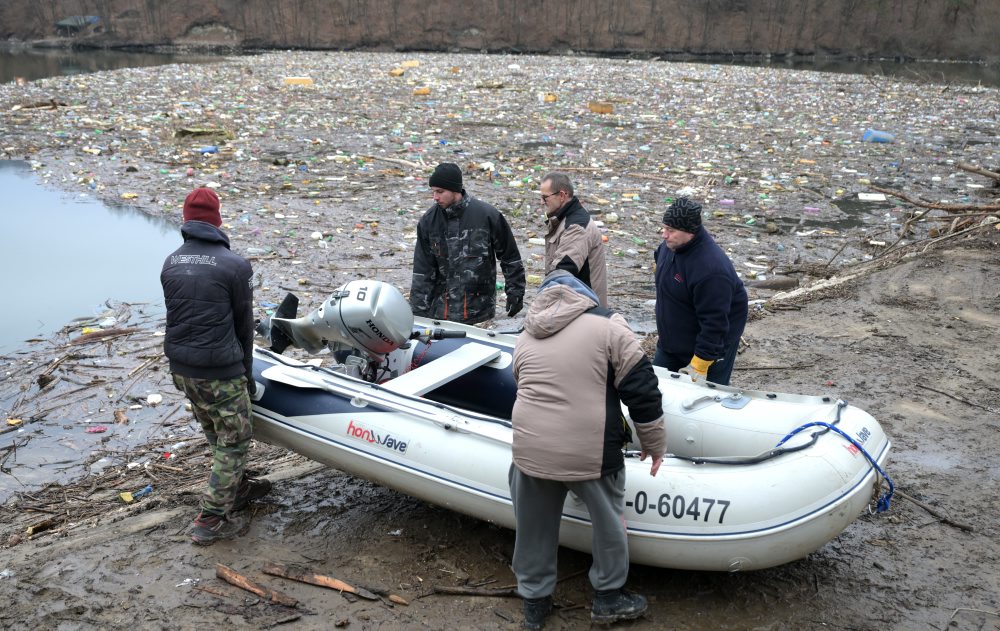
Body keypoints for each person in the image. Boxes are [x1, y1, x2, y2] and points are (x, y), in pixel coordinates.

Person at [509, 270, 667, 630]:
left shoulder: (526, 334)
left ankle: (534, 602)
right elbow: (642, 387)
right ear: (586, 297)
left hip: (531, 448)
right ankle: (608, 598)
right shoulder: (609, 325)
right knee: (609, 522)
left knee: (533, 526)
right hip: (590, 450)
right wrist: (655, 444)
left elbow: (520, 381)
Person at [161, 187, 271, 545]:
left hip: (182, 367)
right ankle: (210, 518)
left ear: (186, 220)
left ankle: (235, 491)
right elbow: (244, 325)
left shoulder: (171, 262)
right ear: (218, 220)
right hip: (219, 368)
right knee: (235, 439)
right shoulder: (235, 265)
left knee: (214, 427)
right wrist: (247, 373)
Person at [410, 163, 526, 324]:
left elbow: (509, 257)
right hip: (441, 313)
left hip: (479, 312)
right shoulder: (428, 222)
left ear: (455, 190)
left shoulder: (487, 216)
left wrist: (516, 292)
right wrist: (417, 314)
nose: (435, 197)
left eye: (440, 192)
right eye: (433, 191)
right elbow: (422, 271)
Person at [653, 197, 748, 386]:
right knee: (655, 389)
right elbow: (661, 263)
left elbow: (716, 323)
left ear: (690, 232)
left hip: (709, 348)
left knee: (705, 402)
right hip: (670, 343)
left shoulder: (712, 270)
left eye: (670, 230)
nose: (664, 235)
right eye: (664, 228)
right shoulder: (671, 246)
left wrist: (700, 363)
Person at [538, 172, 608, 307]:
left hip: (585, 308)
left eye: (545, 197)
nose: (542, 202)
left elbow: (562, 273)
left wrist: (542, 306)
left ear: (562, 195)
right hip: (574, 303)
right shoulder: (563, 220)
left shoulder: (576, 227)